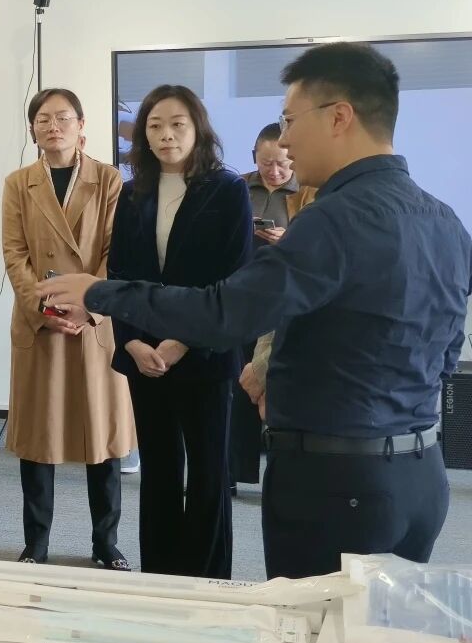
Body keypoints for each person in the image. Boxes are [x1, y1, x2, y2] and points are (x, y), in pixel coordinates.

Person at [39, 43, 472, 580]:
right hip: (420, 472)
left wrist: (98, 293)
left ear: (339, 117)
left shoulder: (331, 220)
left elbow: (224, 311)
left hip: (338, 483)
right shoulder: (446, 220)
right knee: (381, 618)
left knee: (313, 617)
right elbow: (444, 347)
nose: (283, 140)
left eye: (290, 120)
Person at [97, 85, 251, 579]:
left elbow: (234, 277)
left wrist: (184, 340)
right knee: (160, 471)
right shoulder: (133, 193)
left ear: (197, 128)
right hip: (146, 356)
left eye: (177, 124)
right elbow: (119, 273)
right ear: (143, 134)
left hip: (204, 355)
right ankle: (160, 578)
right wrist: (132, 340)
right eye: (155, 125)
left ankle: (208, 582)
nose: (167, 135)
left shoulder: (227, 189)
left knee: (209, 473)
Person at [1, 89, 135, 570]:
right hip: (41, 323)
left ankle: (106, 543)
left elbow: (116, 252)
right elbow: (15, 254)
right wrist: (47, 308)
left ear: (82, 125)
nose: (52, 126)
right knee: (39, 441)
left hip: (93, 324)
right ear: (32, 129)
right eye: (43, 119)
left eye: (62, 118)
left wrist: (87, 306)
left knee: (102, 440)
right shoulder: (19, 183)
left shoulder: (109, 179)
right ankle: (35, 543)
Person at [230, 123, 317, 488]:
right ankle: (234, 473)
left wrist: (288, 239)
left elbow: (318, 250)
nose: (275, 171)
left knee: (276, 385)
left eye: (282, 164)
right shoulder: (237, 187)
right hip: (239, 296)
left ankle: (286, 479)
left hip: (282, 302)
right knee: (235, 386)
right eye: (266, 163)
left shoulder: (310, 192)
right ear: (255, 157)